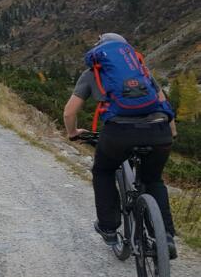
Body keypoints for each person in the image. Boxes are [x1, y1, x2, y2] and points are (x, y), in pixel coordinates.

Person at [63, 33, 178, 259]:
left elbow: (69, 112)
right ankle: (165, 237)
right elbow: (164, 105)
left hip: (118, 134)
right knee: (153, 180)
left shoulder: (93, 73)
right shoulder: (142, 71)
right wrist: (171, 132)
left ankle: (108, 227)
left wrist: (73, 133)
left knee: (103, 171)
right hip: (159, 130)